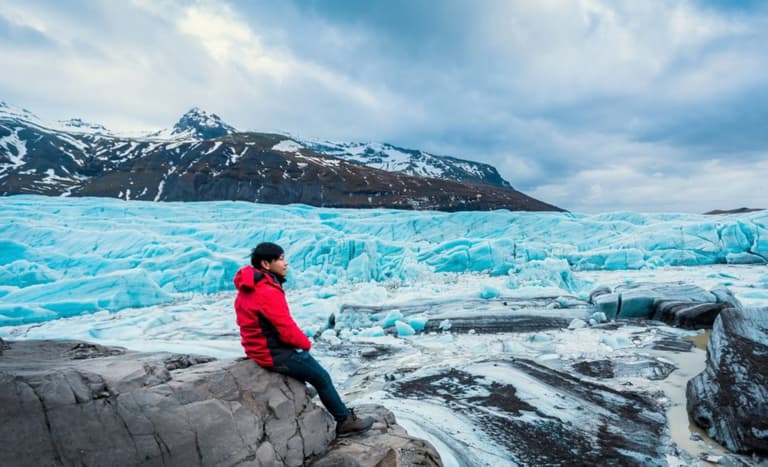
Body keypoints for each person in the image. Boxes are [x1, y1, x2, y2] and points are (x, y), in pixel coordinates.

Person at [233, 242, 373, 437]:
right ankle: (344, 422)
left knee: (310, 371)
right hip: (274, 353)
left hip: (257, 349)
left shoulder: (248, 288)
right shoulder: (266, 291)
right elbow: (286, 328)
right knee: (322, 377)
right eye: (280, 259)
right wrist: (305, 345)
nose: (286, 263)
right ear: (266, 264)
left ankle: (304, 392)